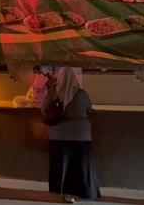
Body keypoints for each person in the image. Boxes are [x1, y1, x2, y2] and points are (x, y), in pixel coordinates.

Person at [42, 67, 101, 203]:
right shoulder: (81, 94)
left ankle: (68, 193)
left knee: (64, 167)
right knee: (82, 166)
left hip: (58, 136)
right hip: (81, 136)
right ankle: (86, 192)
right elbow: (89, 110)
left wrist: (50, 90)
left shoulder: (55, 93)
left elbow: (44, 109)